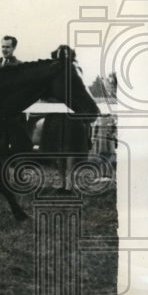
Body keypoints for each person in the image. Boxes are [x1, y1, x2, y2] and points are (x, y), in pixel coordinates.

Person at [38, 45, 94, 190]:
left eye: (66, 55)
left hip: (71, 117)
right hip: (55, 116)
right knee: (58, 149)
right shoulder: (50, 72)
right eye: (60, 55)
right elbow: (45, 93)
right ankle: (62, 182)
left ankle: (69, 184)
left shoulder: (76, 70)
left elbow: (78, 93)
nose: (63, 58)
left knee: (70, 149)